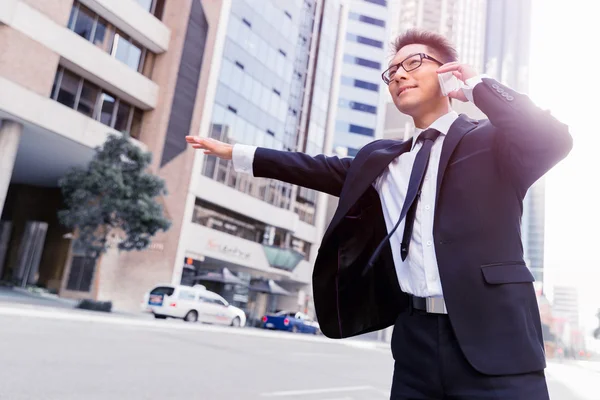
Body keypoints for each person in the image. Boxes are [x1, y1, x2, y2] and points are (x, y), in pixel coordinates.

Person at [186, 29, 572, 399]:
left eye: (414, 62)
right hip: (415, 344)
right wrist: (235, 153)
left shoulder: (492, 141)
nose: (399, 74)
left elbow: (552, 138)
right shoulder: (383, 161)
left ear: (447, 71)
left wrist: (479, 85)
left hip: (496, 339)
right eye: (392, 72)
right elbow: (312, 166)